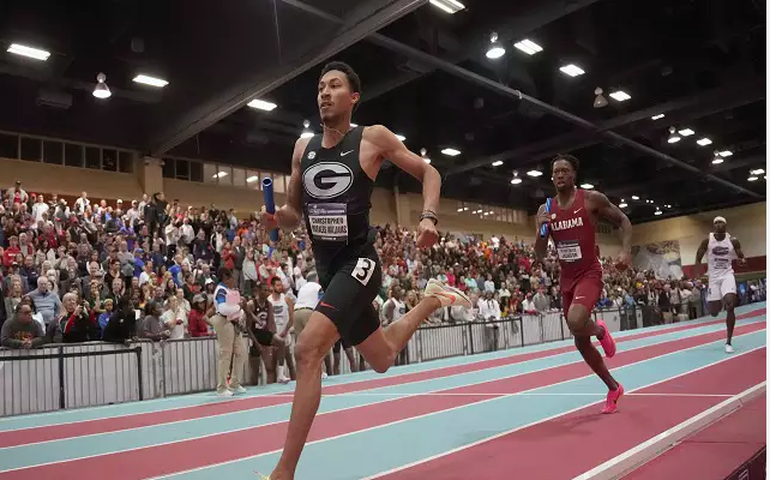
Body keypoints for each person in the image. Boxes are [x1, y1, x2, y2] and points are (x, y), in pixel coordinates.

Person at [261, 61, 470, 480]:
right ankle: (432, 299)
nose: (324, 92)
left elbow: (429, 171)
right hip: (329, 269)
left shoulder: (371, 138)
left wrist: (428, 217)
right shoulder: (303, 148)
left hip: (359, 263)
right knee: (382, 357)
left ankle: (284, 472)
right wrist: (274, 217)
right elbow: (292, 213)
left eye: (334, 86)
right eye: (320, 87)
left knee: (307, 350)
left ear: (352, 97)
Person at [535, 153, 632, 414]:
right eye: (555, 172)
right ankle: (613, 387)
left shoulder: (591, 200)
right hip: (567, 277)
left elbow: (623, 220)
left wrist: (626, 251)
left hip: (590, 272)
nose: (559, 176)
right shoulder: (545, 209)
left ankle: (600, 330)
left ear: (574, 174)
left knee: (577, 321)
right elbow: (540, 254)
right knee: (579, 342)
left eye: (564, 171)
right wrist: (539, 231)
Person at [695, 216, 746, 353]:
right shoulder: (707, 240)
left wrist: (742, 260)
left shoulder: (732, 241)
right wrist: (698, 275)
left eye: (720, 223)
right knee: (714, 312)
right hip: (713, 277)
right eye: (715, 223)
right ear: (713, 226)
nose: (718, 225)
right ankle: (717, 299)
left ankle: (728, 342)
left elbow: (741, 256)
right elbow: (698, 257)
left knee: (731, 305)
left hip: (727, 274)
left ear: (725, 225)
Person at [209, 268, 248, 397]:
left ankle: (234, 383)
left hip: (233, 323)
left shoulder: (230, 291)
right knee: (225, 354)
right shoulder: (221, 290)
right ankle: (222, 387)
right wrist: (239, 308)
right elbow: (223, 308)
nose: (234, 281)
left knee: (241, 352)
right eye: (231, 278)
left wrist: (240, 312)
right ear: (226, 278)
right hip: (223, 321)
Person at [245, 282, 288, 385]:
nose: (267, 293)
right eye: (264, 290)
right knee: (255, 374)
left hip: (264, 333)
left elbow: (269, 325)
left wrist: (272, 337)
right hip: (253, 336)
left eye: (268, 290)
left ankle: (281, 374)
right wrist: (257, 344)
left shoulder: (269, 305)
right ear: (258, 291)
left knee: (281, 342)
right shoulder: (251, 304)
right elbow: (248, 327)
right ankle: (253, 395)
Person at [269, 276, 296, 382]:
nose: (280, 287)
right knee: (273, 363)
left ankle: (296, 383)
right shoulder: (269, 300)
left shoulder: (286, 299)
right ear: (272, 286)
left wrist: (285, 331)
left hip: (284, 334)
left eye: (281, 285)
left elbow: (292, 317)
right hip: (274, 334)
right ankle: (274, 386)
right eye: (277, 285)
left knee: (289, 361)